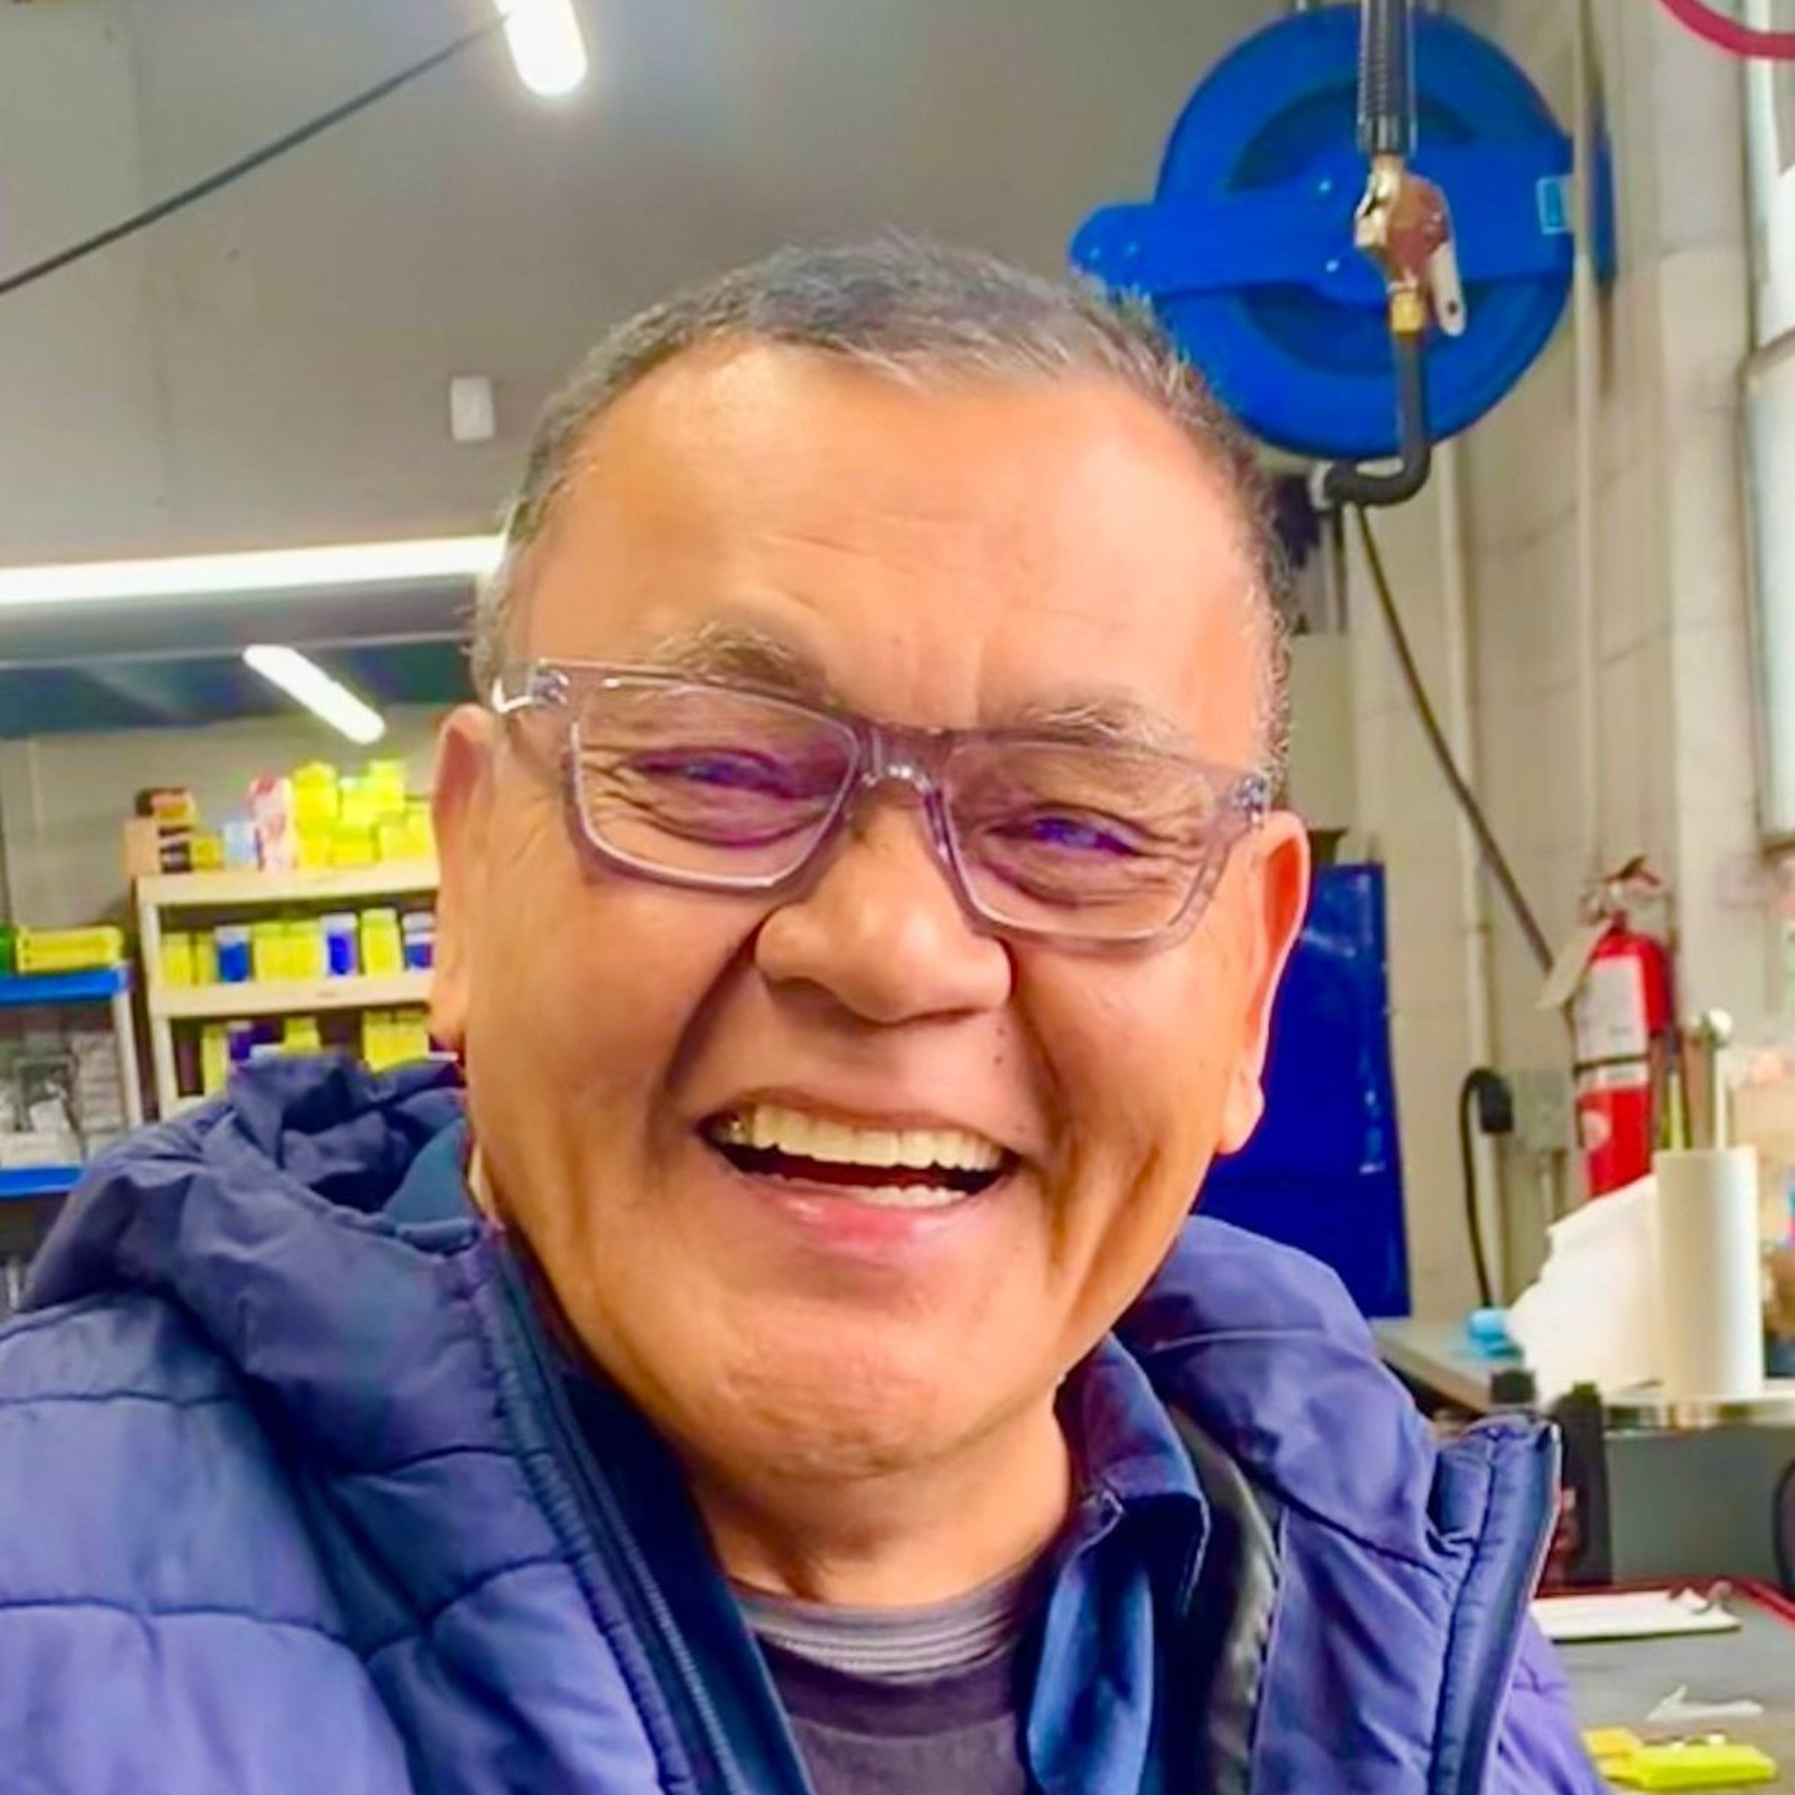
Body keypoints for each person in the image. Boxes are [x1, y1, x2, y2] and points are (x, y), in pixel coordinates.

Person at [0, 240, 1599, 1794]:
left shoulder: (1407, 1632)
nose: (893, 949)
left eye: (1075, 826)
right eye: (711, 772)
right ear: (470, 878)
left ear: (1247, 986)